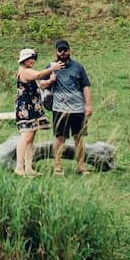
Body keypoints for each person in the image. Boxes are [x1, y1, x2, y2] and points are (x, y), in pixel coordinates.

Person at [14, 47, 65, 177]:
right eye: (30, 59)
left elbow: (39, 84)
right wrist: (52, 69)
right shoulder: (24, 71)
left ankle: (29, 167)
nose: (32, 61)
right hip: (26, 107)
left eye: (33, 59)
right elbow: (38, 75)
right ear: (24, 60)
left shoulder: (27, 71)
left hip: (33, 106)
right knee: (25, 137)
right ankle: (19, 167)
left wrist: (50, 81)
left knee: (31, 138)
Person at [48, 39, 93, 176]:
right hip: (59, 108)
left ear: (69, 51)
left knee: (79, 137)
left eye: (65, 50)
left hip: (78, 108)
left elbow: (85, 86)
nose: (63, 53)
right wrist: (51, 79)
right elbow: (40, 82)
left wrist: (88, 105)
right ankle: (57, 165)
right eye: (60, 50)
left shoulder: (78, 67)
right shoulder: (51, 66)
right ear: (56, 52)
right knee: (60, 137)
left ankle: (81, 166)